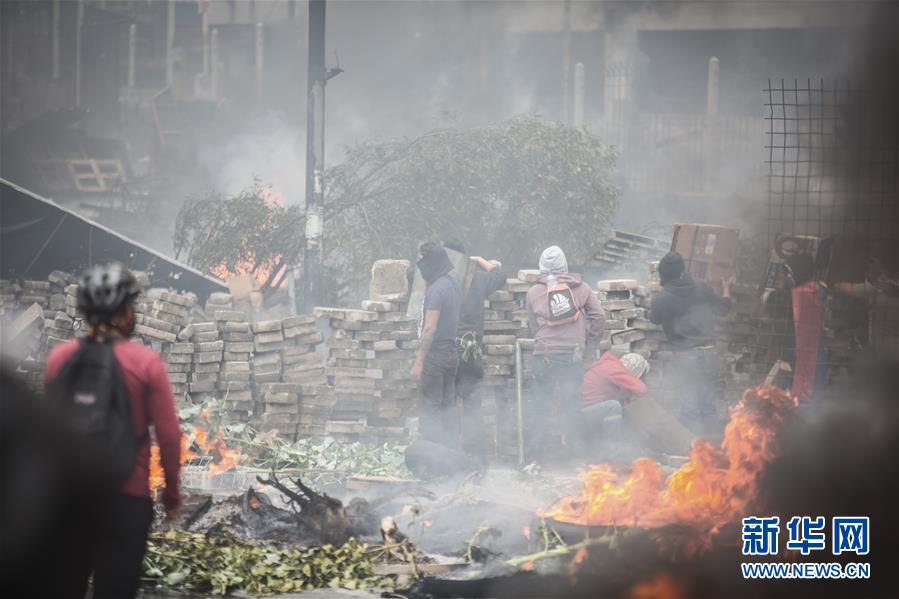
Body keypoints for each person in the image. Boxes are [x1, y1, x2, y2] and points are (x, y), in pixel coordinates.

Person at [43, 263, 182, 599]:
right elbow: (169, 435)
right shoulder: (145, 362)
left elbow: (48, 431)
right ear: (125, 312)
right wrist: (171, 493)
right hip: (126, 502)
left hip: (69, 500)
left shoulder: (60, 359)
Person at [525, 245, 605, 462]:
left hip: (544, 355)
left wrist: (543, 340)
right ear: (565, 265)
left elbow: (533, 326)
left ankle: (534, 462)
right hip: (573, 356)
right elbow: (599, 317)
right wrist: (589, 349)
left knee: (540, 409)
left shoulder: (533, 292)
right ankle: (579, 461)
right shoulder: (582, 288)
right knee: (572, 409)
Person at [649, 251, 731, 433]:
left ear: (664, 274)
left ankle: (692, 452)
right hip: (709, 354)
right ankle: (713, 452)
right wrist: (726, 289)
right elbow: (723, 309)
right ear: (682, 270)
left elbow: (654, 319)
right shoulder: (702, 288)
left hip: (685, 358)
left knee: (690, 406)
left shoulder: (661, 299)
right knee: (708, 405)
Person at [442, 238, 506, 464]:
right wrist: (482, 261)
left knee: (446, 405)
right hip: (470, 352)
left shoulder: (440, 281)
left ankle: (450, 456)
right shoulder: (477, 279)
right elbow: (500, 276)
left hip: (444, 352)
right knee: (471, 406)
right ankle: (477, 459)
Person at [410, 243, 462, 449]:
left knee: (430, 409)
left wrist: (419, 362)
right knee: (448, 407)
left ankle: (430, 457)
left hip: (435, 357)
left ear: (431, 263)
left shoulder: (436, 291)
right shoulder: (452, 284)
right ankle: (450, 454)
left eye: (422, 262)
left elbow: (430, 328)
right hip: (451, 354)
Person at [580, 352, 650, 458]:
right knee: (613, 406)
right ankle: (611, 456)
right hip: (581, 415)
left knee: (620, 409)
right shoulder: (613, 367)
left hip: (590, 412)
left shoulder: (612, 367)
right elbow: (641, 388)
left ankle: (624, 454)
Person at [784, 253, 828, 402]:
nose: (788, 276)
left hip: (813, 351)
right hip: (802, 349)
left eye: (790, 272)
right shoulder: (805, 289)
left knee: (809, 392)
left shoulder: (811, 290)